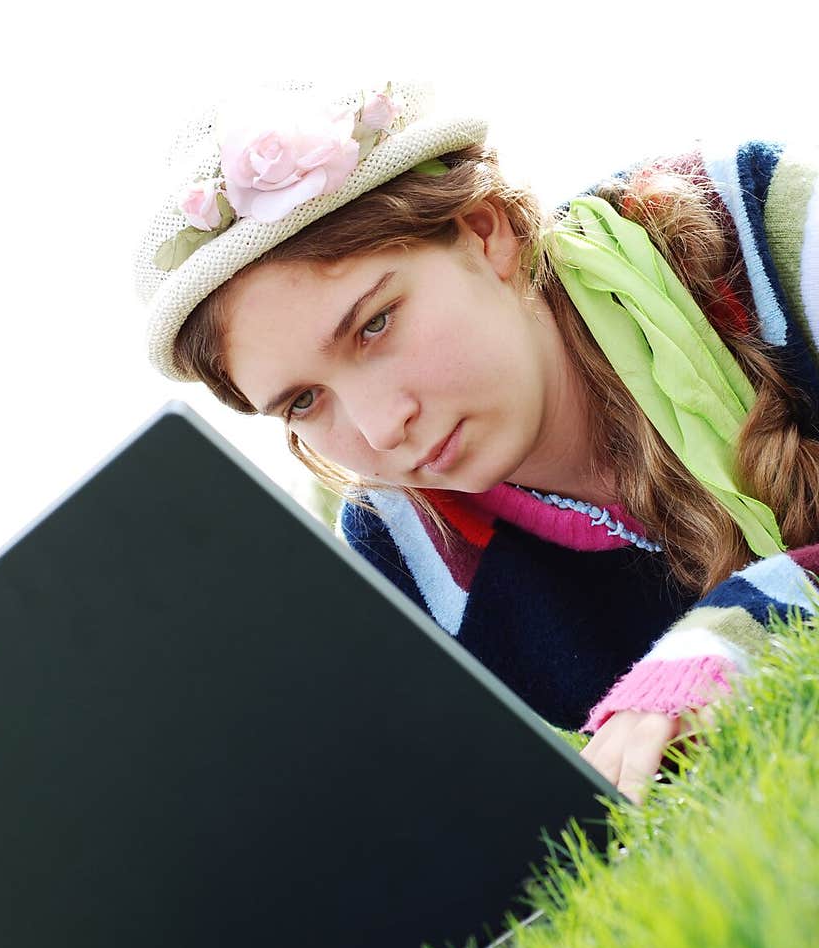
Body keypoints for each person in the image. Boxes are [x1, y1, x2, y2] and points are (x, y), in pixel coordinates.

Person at [133, 80, 819, 804]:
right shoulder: (403, 564)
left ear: (485, 230)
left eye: (374, 324)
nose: (376, 428)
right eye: (304, 401)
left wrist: (731, 642)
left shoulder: (752, 226)